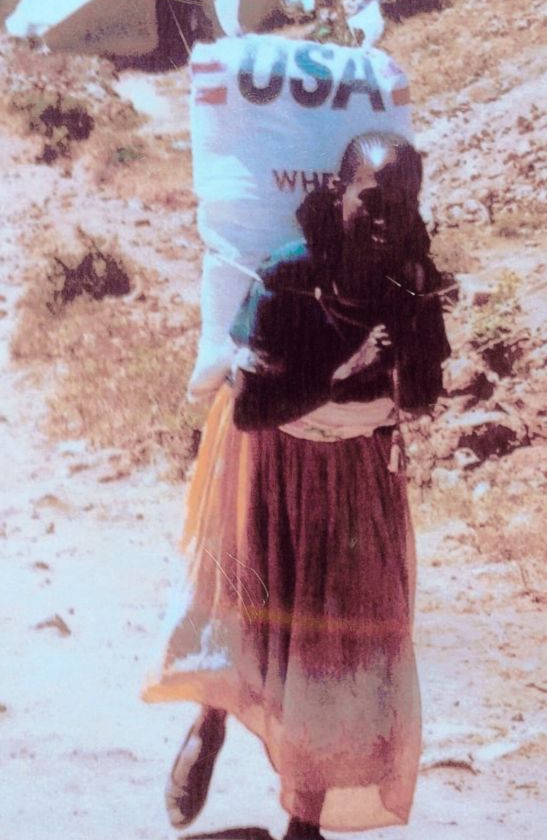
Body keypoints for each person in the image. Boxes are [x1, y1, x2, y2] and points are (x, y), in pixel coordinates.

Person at [144, 132, 451, 839]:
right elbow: (253, 410)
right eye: (372, 199)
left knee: (339, 647)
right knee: (249, 608)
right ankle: (213, 718)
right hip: (269, 465)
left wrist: (406, 358)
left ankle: (303, 815)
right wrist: (343, 372)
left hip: (356, 477)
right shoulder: (287, 277)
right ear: (336, 194)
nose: (385, 218)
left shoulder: (413, 282)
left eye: (402, 203)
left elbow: (427, 394)